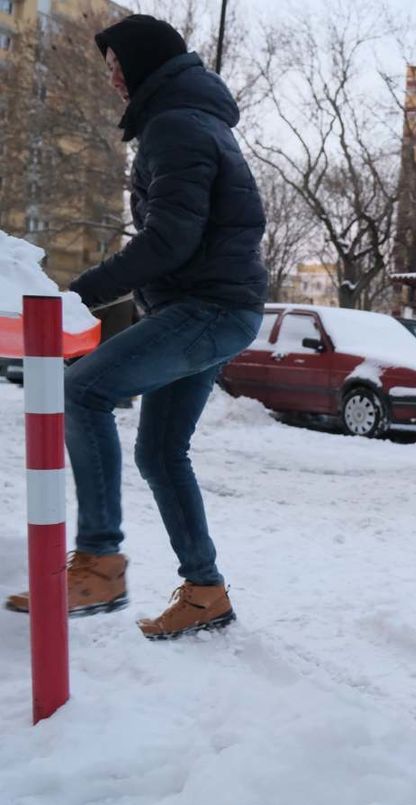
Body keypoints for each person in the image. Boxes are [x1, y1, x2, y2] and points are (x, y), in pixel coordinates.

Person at [4, 15, 267, 640]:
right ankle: (205, 591)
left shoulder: (176, 127)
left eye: (117, 66)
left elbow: (169, 240)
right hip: (215, 308)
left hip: (207, 308)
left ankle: (99, 561)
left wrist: (80, 294)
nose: (113, 80)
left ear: (146, 64)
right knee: (159, 451)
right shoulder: (188, 121)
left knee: (83, 391)